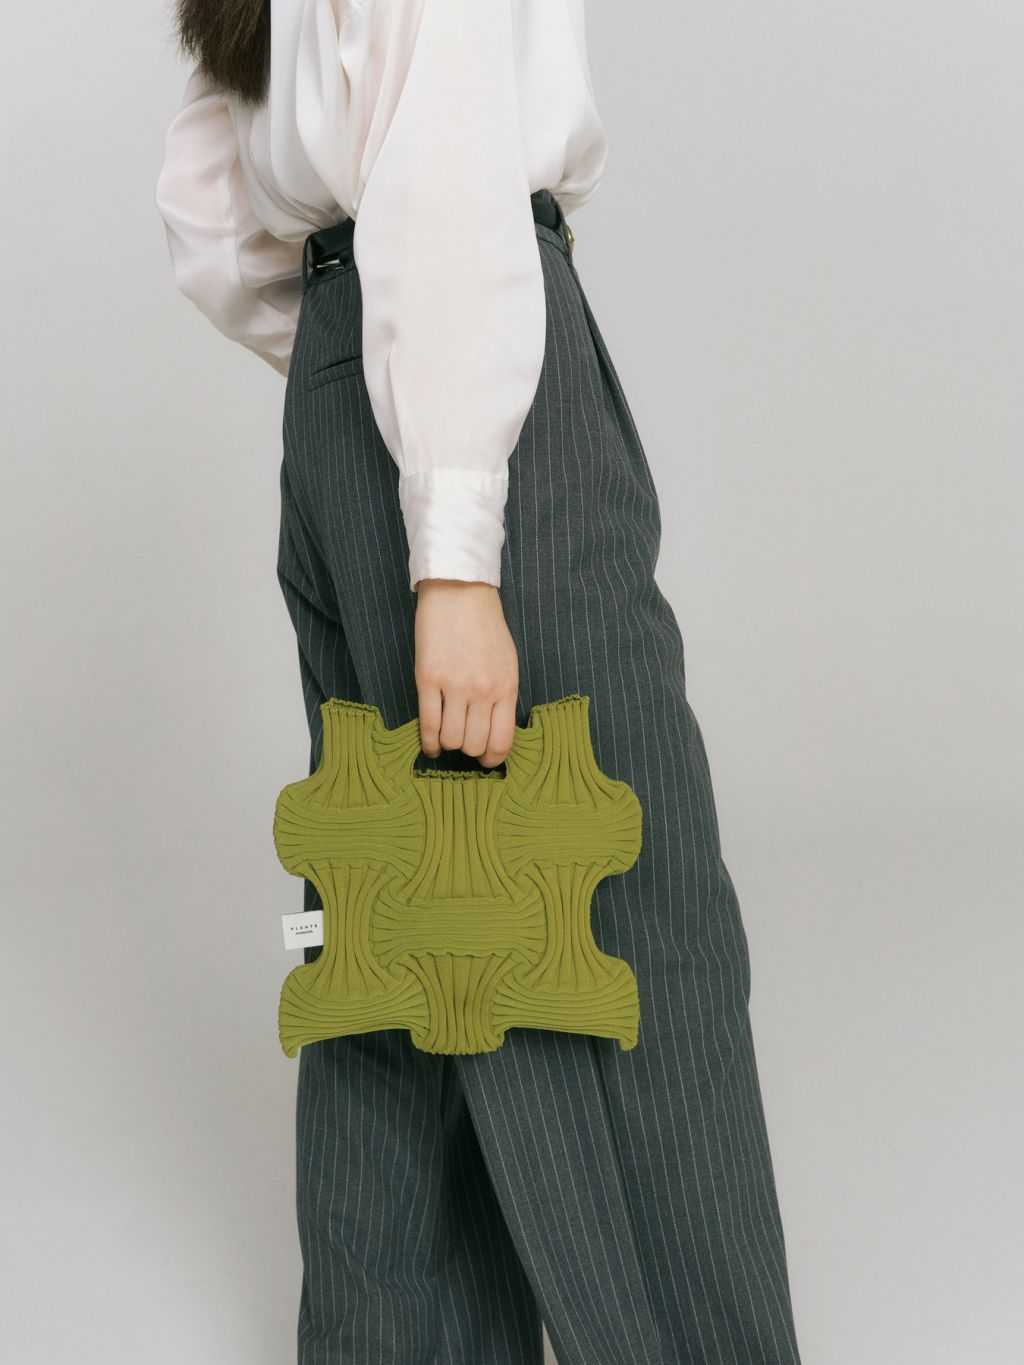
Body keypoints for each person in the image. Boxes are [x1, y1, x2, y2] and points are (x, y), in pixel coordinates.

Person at [155, 3, 806, 1362]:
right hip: (468, 373)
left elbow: (212, 217)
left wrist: (355, 358)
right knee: (614, 907)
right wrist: (455, 548)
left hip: (353, 385)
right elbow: (447, 130)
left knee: (395, 926)